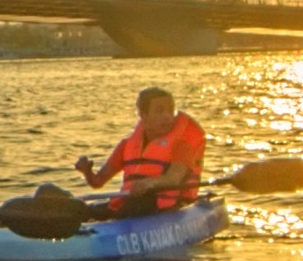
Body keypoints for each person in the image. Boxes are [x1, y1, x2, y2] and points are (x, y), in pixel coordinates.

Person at [77, 86, 208, 217]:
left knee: (139, 203)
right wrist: (87, 172)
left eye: (170, 110)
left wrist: (148, 183)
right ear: (143, 115)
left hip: (167, 206)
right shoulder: (127, 145)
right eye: (160, 111)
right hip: (130, 204)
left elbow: (174, 179)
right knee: (77, 210)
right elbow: (98, 181)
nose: (167, 117)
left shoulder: (181, 144)